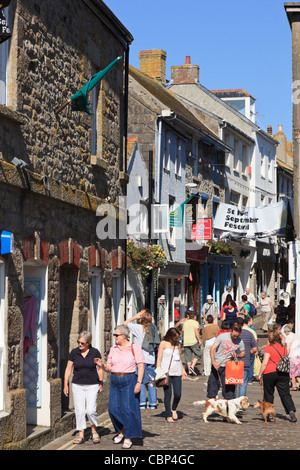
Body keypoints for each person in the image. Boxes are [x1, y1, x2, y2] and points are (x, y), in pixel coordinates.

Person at [95, 325, 145, 449]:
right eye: (114, 335)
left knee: (127, 409)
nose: (114, 337)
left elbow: (141, 366)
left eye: (116, 335)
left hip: (129, 379)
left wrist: (139, 383)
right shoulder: (113, 349)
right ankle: (123, 429)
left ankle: (127, 436)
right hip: (114, 379)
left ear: (124, 335)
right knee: (113, 409)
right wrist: (102, 366)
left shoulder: (134, 348)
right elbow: (109, 367)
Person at [63, 331, 103, 445]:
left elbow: (100, 368)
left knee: (91, 410)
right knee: (79, 410)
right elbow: (68, 369)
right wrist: (65, 384)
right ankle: (81, 434)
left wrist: (101, 383)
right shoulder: (74, 353)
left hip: (92, 385)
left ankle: (94, 430)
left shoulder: (95, 352)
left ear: (88, 343)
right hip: (77, 385)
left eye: (82, 343)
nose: (80, 345)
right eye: (78, 342)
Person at [124, 309, 160, 409]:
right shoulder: (154, 328)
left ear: (141, 320)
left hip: (140, 359)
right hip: (151, 358)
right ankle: (153, 403)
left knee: (140, 380)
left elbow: (124, 324)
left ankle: (142, 403)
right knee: (151, 381)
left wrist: (134, 317)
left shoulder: (138, 328)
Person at [258, 330, 297, 422]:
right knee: (285, 394)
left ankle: (270, 414)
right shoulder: (284, 348)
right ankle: (291, 411)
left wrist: (260, 374)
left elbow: (264, 363)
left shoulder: (268, 348)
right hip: (283, 372)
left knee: (269, 393)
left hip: (269, 372)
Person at [156, 327, 187, 422]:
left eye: (177, 337)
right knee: (168, 394)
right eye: (175, 337)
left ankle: (174, 408)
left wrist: (183, 370)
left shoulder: (178, 344)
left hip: (177, 371)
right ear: (170, 335)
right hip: (166, 372)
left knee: (178, 393)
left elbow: (179, 359)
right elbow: (159, 358)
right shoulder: (163, 343)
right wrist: (158, 371)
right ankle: (168, 414)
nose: (176, 339)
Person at [207, 324, 245, 400]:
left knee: (228, 391)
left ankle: (226, 409)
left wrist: (236, 355)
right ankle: (212, 407)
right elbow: (212, 349)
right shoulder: (222, 336)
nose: (235, 337)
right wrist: (214, 361)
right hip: (217, 364)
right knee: (212, 387)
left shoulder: (240, 341)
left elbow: (243, 353)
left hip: (229, 367)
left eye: (237, 336)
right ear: (231, 331)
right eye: (234, 335)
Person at [234, 318, 257, 397]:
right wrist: (248, 352)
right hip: (245, 361)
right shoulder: (250, 333)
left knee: (234, 382)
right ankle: (241, 403)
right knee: (243, 383)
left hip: (234, 362)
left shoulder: (234, 333)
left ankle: (233, 402)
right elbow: (255, 348)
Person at [177, 310, 202, 375]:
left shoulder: (185, 323)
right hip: (193, 341)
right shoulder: (195, 322)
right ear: (193, 316)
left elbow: (183, 332)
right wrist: (199, 340)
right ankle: (192, 367)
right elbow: (196, 331)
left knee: (188, 357)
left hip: (186, 342)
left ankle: (190, 371)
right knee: (199, 354)